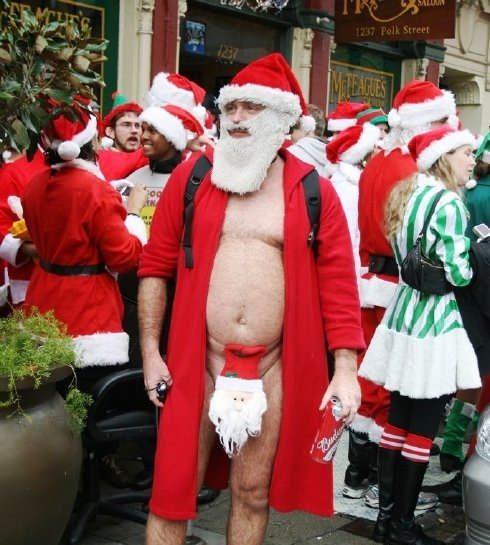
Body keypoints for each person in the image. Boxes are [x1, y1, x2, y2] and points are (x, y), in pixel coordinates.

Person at [138, 53, 365, 545]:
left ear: (282, 118)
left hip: (274, 365)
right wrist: (151, 353)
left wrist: (346, 369)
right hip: (196, 360)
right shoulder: (193, 177)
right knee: (171, 491)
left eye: (252, 107)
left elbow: (339, 286)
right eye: (230, 107)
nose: (237, 117)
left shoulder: (313, 192)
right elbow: (154, 268)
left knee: (253, 492)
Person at [359, 125, 481, 545]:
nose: (472, 160)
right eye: (466, 153)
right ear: (445, 157)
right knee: (424, 424)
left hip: (403, 313)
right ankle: (403, 525)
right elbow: (459, 274)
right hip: (434, 322)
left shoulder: (409, 193)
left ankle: (385, 519)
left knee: (399, 417)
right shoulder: (449, 203)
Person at [348, 81, 459, 515]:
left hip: (375, 279)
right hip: (403, 283)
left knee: (372, 380)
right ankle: (382, 486)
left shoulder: (378, 160)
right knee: (394, 387)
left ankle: (358, 473)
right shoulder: (413, 169)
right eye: (441, 121)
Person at [21, 103, 147, 368]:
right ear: (91, 142)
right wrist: (134, 215)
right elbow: (123, 258)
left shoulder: (34, 185)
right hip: (88, 314)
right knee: (86, 390)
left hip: (41, 301)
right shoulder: (97, 191)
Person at [98, 94, 148, 182]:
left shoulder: (151, 160)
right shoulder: (99, 160)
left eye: (137, 125)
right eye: (126, 125)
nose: (134, 130)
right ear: (110, 132)